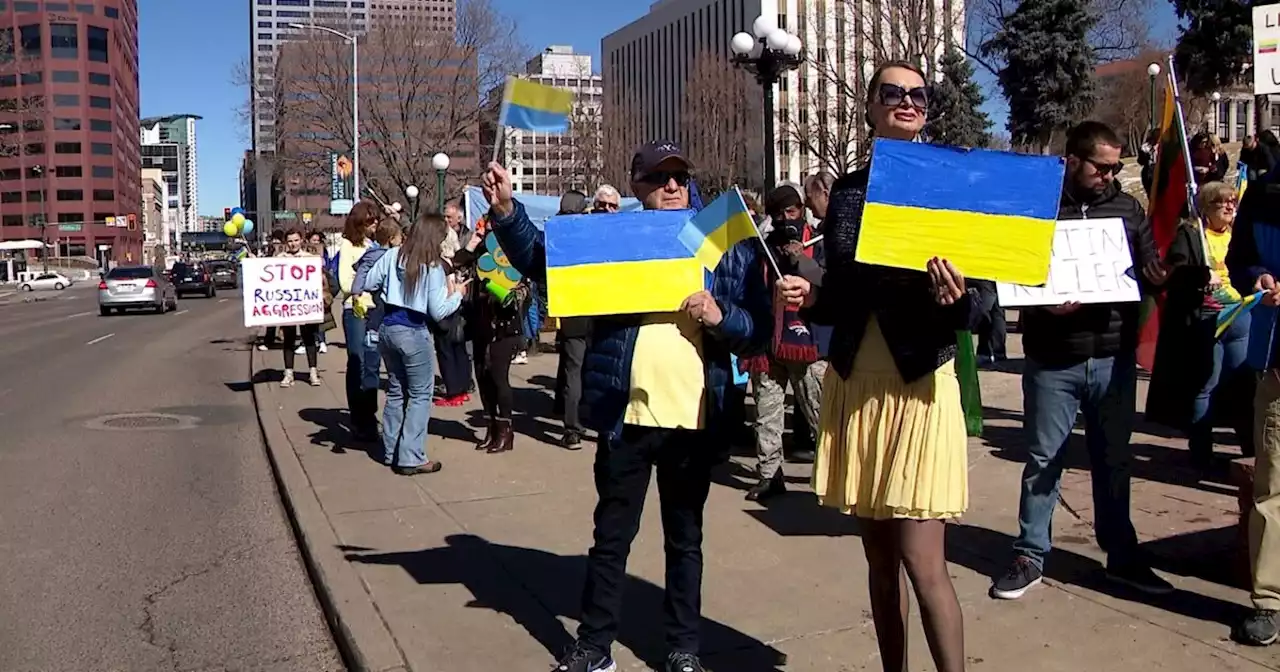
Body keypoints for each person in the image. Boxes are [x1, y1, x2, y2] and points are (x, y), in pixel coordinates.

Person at [482, 140, 770, 672]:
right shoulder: (617, 237)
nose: (673, 186)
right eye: (660, 178)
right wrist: (506, 212)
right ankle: (595, 647)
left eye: (680, 176)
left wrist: (721, 314)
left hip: (694, 422)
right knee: (611, 541)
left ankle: (684, 650)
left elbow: (757, 332)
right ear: (637, 186)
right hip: (626, 419)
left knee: (686, 542)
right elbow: (548, 264)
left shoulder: (722, 239)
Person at [776, 60, 979, 672]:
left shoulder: (951, 183)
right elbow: (841, 289)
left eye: (918, 95)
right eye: (892, 93)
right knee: (880, 561)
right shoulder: (848, 191)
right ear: (869, 107)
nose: (907, 102)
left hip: (920, 381)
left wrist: (960, 297)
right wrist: (810, 297)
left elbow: (981, 299)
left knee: (924, 561)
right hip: (857, 381)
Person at [991, 120, 1173, 601]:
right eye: (1102, 167)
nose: (1110, 176)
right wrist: (1039, 302)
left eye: (1115, 169)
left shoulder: (1127, 209)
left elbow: (1147, 267)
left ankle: (1122, 557)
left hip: (1113, 359)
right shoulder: (1039, 206)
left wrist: (1157, 276)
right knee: (1043, 459)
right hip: (1054, 358)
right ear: (1072, 159)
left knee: (1113, 461)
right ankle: (1031, 553)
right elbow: (1010, 272)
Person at [1147, 181, 1255, 471]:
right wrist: (1201, 275)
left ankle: (1250, 451)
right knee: (1206, 384)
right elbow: (1176, 270)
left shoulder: (1239, 233)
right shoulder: (1192, 234)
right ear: (1207, 207)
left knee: (1244, 383)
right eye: (1223, 203)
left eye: (1233, 201)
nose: (1231, 207)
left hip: (1241, 314)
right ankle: (1201, 453)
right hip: (1207, 319)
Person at [739, 184, 829, 502]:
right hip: (768, 341)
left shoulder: (819, 242)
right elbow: (749, 290)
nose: (785, 218)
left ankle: (831, 475)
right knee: (767, 411)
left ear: (801, 209)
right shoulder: (762, 248)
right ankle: (769, 474)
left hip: (809, 343)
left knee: (820, 412)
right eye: (779, 213)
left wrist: (801, 263)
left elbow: (827, 285)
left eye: (791, 211)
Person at [361, 213, 464, 476]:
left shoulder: (392, 255)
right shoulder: (432, 266)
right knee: (420, 394)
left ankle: (390, 450)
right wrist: (459, 296)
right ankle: (411, 456)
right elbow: (438, 311)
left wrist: (387, 288)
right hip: (413, 329)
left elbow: (369, 282)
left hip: (388, 327)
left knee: (396, 389)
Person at [1225, 158, 1280, 646]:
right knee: (1273, 490)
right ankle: (1269, 602)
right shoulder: (1263, 194)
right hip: (1279, 364)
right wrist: (1257, 277)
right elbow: (1239, 260)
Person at [450, 224, 531, 454]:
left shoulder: (516, 253)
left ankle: (506, 430)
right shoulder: (480, 254)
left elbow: (523, 292)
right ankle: (491, 427)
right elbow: (456, 262)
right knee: (482, 376)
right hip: (480, 322)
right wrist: (474, 241)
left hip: (504, 325)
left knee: (497, 377)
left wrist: (502, 292)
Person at [555, 190, 594, 450]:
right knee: (592, 373)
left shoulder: (555, 234)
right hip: (595, 312)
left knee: (573, 375)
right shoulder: (590, 233)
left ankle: (572, 430)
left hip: (571, 315)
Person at [352, 219, 403, 415]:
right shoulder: (388, 257)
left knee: (372, 368)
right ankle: (376, 414)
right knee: (388, 370)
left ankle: (369, 414)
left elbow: (360, 269)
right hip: (383, 316)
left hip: (375, 319)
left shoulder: (372, 254)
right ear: (391, 239)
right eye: (398, 238)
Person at [339, 202, 381, 441]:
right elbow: (346, 283)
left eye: (376, 220)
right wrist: (367, 281)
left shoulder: (374, 245)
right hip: (354, 310)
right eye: (370, 220)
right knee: (358, 362)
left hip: (375, 310)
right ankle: (358, 417)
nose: (374, 224)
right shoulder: (348, 245)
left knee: (373, 363)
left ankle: (370, 414)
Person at [434, 200, 473, 406]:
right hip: (456, 301)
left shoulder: (443, 263)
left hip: (449, 305)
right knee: (458, 348)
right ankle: (462, 388)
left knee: (448, 349)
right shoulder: (452, 260)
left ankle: (455, 391)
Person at [276, 228, 323, 388]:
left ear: (301, 240)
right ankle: (288, 373)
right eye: (290, 241)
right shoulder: (279, 258)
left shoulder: (311, 258)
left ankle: (313, 372)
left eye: (296, 240)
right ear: (286, 243)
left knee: (309, 338)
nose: (293, 243)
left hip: (306, 304)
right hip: (288, 305)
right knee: (288, 339)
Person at [303, 230, 332, 355]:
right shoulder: (303, 253)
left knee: (320, 315)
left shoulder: (323, 252)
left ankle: (322, 341)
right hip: (305, 287)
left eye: (317, 240)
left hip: (319, 286)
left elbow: (328, 267)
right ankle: (308, 342)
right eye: (313, 240)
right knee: (307, 317)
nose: (315, 242)